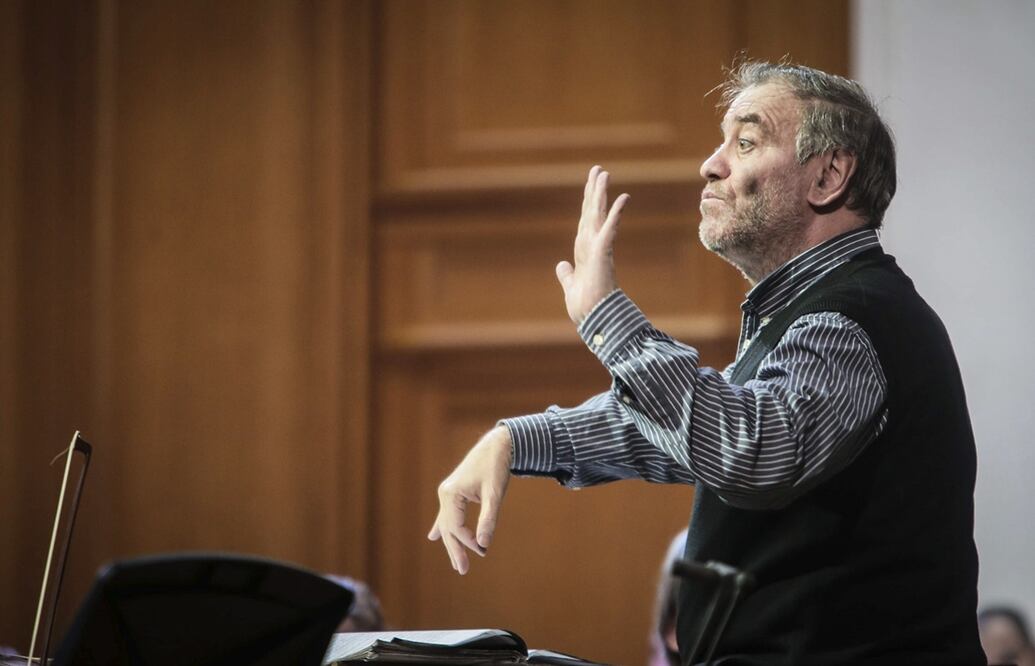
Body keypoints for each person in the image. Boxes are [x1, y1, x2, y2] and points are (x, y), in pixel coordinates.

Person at [427, 60, 984, 664]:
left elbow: (749, 448)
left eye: (745, 142)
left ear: (827, 176)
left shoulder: (850, 320)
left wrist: (606, 318)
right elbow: (687, 429)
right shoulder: (814, 314)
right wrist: (518, 438)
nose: (710, 164)